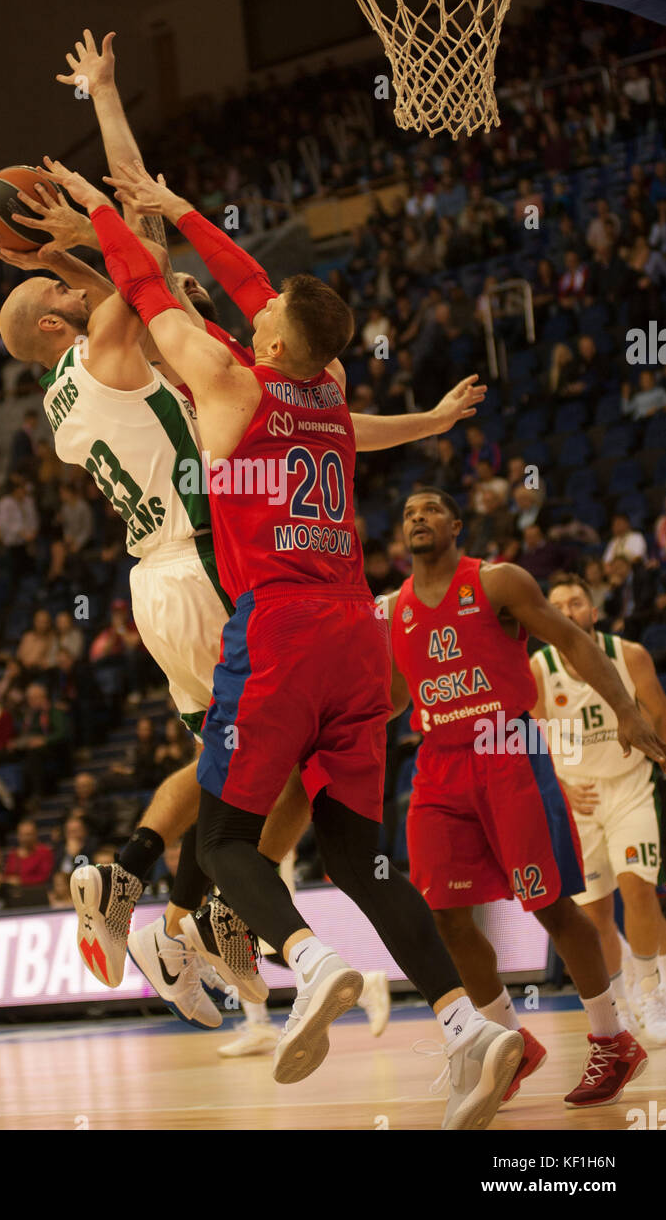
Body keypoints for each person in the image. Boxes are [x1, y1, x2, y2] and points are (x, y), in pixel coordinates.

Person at [89, 159, 521, 1127]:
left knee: (224, 837)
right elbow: (255, 284)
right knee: (358, 852)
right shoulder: (322, 385)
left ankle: (310, 960)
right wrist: (182, 208)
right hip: (359, 638)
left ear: (274, 335)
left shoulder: (230, 380)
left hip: (281, 630)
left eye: (268, 310)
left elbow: (151, 291)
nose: (256, 306)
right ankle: (469, 1025)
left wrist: (99, 211)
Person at [386, 489, 665, 1106]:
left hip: (506, 749)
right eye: (407, 513)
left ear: (456, 525)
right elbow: (394, 697)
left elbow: (570, 639)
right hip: (436, 765)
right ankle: (510, 1044)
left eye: (430, 509)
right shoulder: (394, 611)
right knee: (443, 915)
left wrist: (624, 708)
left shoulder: (496, 583)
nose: (417, 518)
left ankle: (612, 1040)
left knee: (550, 904)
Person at [531, 574, 666, 1042]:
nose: (567, 612)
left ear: (593, 610)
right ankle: (620, 1002)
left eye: (576, 602)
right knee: (596, 917)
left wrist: (651, 740)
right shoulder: (539, 667)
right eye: (557, 605)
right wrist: (562, 790)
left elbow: (659, 713)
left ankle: (650, 989)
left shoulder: (630, 654)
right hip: (579, 798)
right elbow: (534, 740)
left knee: (639, 889)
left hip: (629, 788)